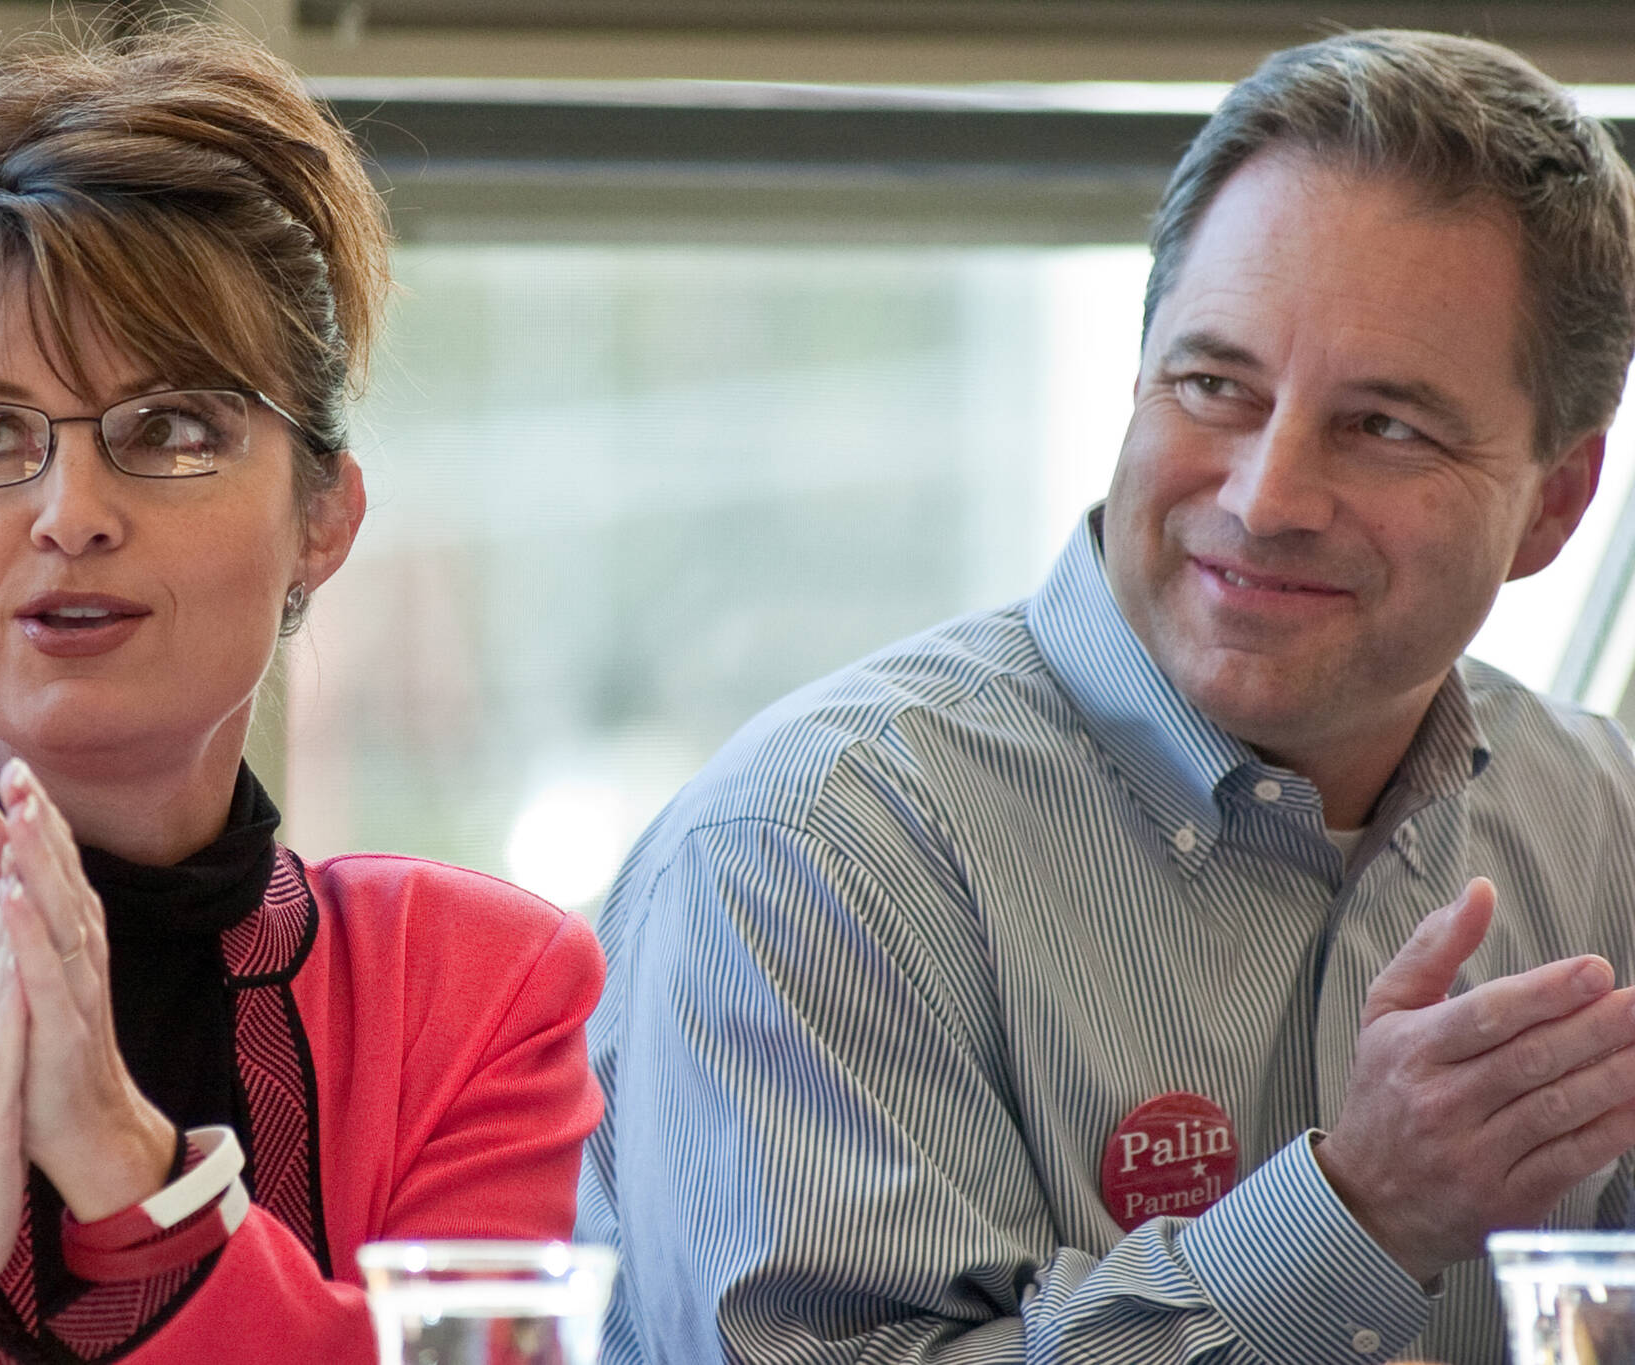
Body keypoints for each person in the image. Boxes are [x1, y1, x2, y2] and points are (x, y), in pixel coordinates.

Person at [580, 28, 1635, 1365]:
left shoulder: (1608, 830)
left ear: (1556, 500)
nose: (1266, 498)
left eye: (1385, 426)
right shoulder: (811, 851)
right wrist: (1357, 1216)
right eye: (1214, 385)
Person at [0, 25, 604, 1364]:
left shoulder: (482, 991)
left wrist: (145, 1181)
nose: (69, 512)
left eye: (169, 428)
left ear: (324, 518)